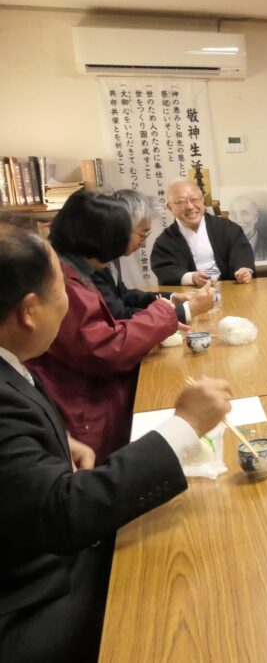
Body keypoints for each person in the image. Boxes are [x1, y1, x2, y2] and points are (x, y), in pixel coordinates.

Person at [0, 220, 232, 663]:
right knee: (186, 597)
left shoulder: (12, 362)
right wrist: (184, 425)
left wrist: (57, 439)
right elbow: (64, 513)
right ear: (29, 311)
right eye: (62, 291)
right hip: (32, 599)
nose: (70, 303)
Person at [27, 190, 180, 462]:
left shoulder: (76, 270)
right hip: (82, 405)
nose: (129, 247)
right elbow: (104, 349)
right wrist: (162, 314)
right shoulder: (62, 281)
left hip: (89, 396)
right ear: (100, 240)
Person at [92, 189, 215, 323]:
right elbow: (118, 316)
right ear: (120, 227)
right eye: (142, 235)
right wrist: (186, 310)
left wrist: (173, 298)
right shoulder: (93, 262)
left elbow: (123, 295)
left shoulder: (111, 257)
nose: (144, 244)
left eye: (195, 200)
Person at [151, 178, 256, 286]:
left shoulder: (226, 228)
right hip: (190, 295)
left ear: (202, 200)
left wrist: (244, 270)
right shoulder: (164, 242)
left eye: (195, 199)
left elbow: (242, 253)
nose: (190, 206)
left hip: (229, 290)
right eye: (181, 202)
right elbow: (165, 270)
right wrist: (191, 278)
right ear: (169, 207)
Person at [228, 194, 267, 261]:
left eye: (244, 214)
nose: (238, 220)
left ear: (255, 217)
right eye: (233, 214)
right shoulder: (224, 246)